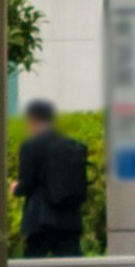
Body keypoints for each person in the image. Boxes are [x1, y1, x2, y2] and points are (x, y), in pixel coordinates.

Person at [14, 98, 87, 258]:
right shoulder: (72, 145)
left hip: (41, 220)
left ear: (33, 120)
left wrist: (16, 188)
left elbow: (27, 183)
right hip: (70, 220)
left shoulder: (30, 145)